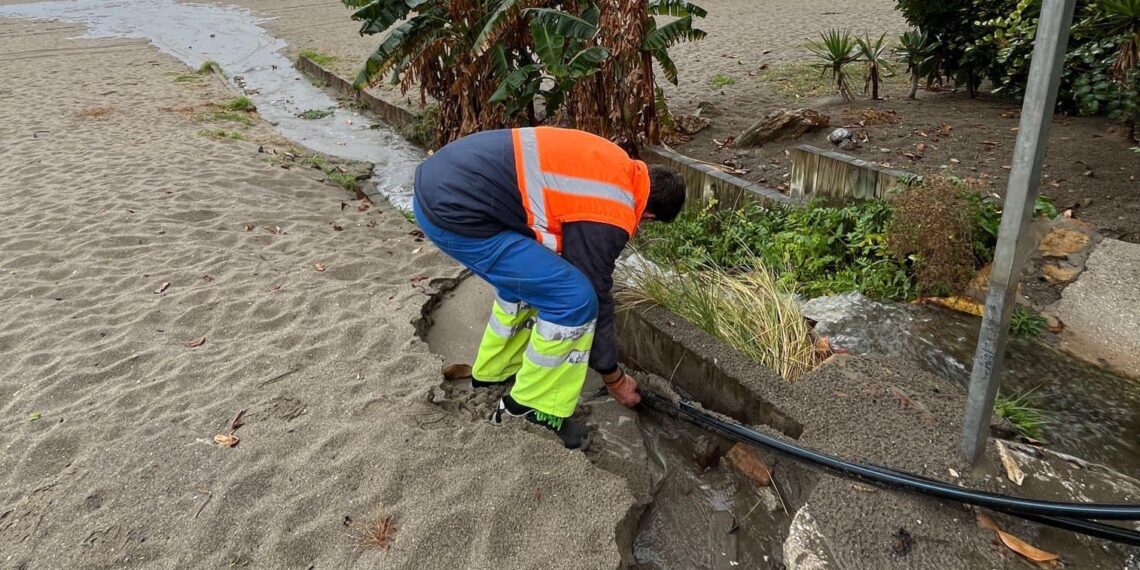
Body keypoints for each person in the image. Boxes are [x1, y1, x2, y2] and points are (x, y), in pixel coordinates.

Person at [412, 126, 686, 449]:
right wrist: (615, 378)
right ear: (650, 215)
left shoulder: (615, 161)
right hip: (456, 216)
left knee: (542, 275)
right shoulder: (614, 212)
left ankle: (494, 373)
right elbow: (596, 293)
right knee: (575, 300)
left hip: (438, 184)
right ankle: (528, 408)